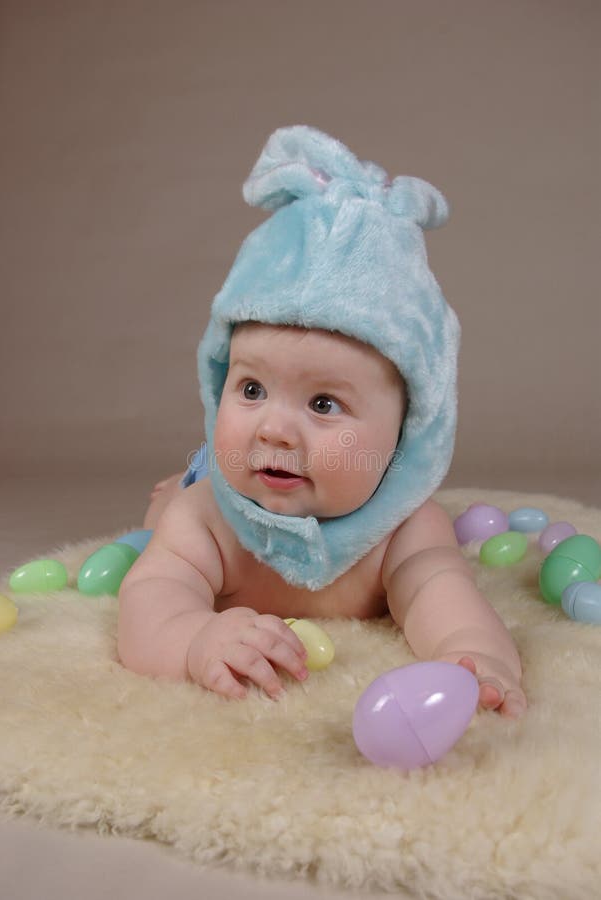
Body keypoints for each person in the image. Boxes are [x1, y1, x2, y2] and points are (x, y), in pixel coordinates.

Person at [117, 126, 526, 719]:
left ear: (406, 432)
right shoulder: (209, 518)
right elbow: (149, 603)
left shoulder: (404, 530)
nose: (275, 429)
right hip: (214, 486)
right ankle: (179, 480)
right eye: (251, 389)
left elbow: (445, 600)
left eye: (323, 404)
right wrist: (194, 638)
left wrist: (477, 658)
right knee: (172, 510)